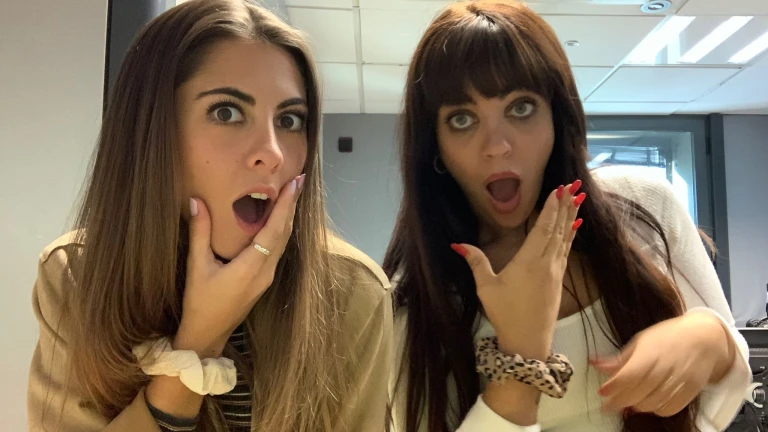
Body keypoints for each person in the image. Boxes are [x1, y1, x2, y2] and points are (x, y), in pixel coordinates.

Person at [383, 1, 750, 431]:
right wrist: (519, 361)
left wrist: (711, 339)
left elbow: (729, 382)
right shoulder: (414, 302)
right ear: (436, 148)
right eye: (462, 119)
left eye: (521, 108)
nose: (497, 146)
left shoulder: (645, 206)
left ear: (558, 119)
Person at [27, 1, 392, 431]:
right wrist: (198, 345)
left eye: (290, 120)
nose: (273, 152)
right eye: (227, 112)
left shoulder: (351, 294)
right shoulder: (77, 276)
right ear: (152, 131)